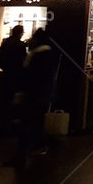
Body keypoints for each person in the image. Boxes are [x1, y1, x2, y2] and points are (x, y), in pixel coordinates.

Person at [8, 28, 58, 168]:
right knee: (34, 123)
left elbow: (30, 76)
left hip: (33, 96)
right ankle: (40, 144)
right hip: (41, 96)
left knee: (26, 124)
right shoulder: (47, 54)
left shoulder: (38, 55)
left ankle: (21, 155)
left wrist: (22, 92)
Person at [0, 25, 26, 125]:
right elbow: (24, 62)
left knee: (3, 99)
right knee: (12, 100)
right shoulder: (21, 45)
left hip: (6, 74)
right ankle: (9, 121)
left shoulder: (5, 43)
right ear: (20, 33)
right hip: (16, 75)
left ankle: (1, 121)